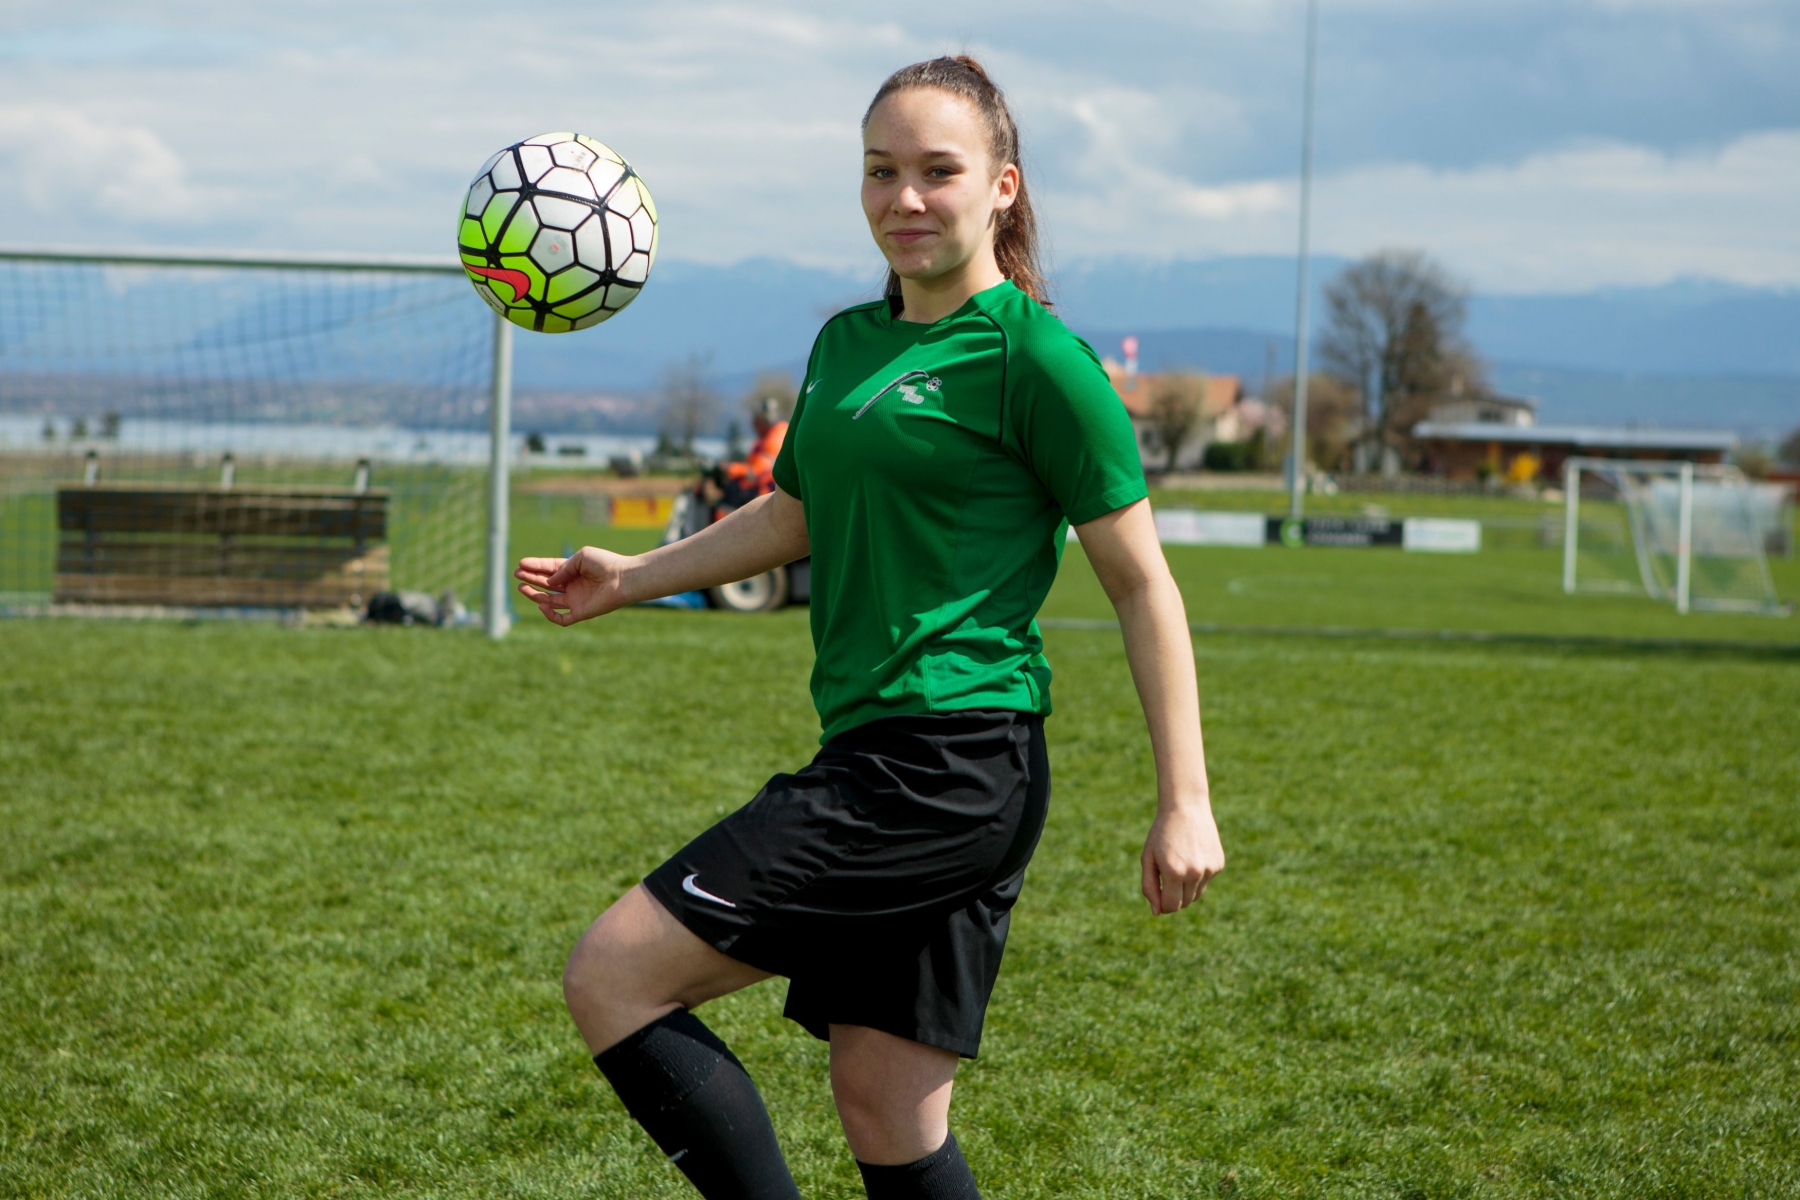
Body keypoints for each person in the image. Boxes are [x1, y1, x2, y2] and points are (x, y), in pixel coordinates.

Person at [515, 55, 1225, 1200]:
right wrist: (633, 576)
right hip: (887, 751)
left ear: (1002, 184)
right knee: (887, 1113)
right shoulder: (847, 343)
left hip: (949, 761)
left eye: (937, 171)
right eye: (880, 171)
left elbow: (1144, 585)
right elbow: (794, 513)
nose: (905, 198)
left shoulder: (1036, 360)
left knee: (613, 975)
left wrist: (1183, 801)